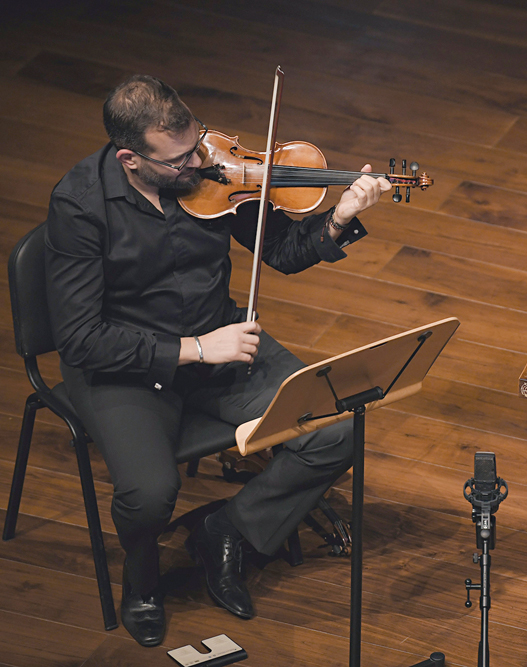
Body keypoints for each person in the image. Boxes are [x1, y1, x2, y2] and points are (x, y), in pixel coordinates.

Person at [44, 75, 392, 646]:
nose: (201, 164)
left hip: (218, 342)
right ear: (131, 159)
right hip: (125, 367)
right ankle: (142, 578)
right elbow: (81, 339)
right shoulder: (80, 205)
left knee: (335, 428)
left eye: (198, 142)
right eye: (181, 159)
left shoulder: (212, 172)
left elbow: (281, 250)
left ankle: (228, 531)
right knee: (151, 491)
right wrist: (198, 349)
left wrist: (338, 217)